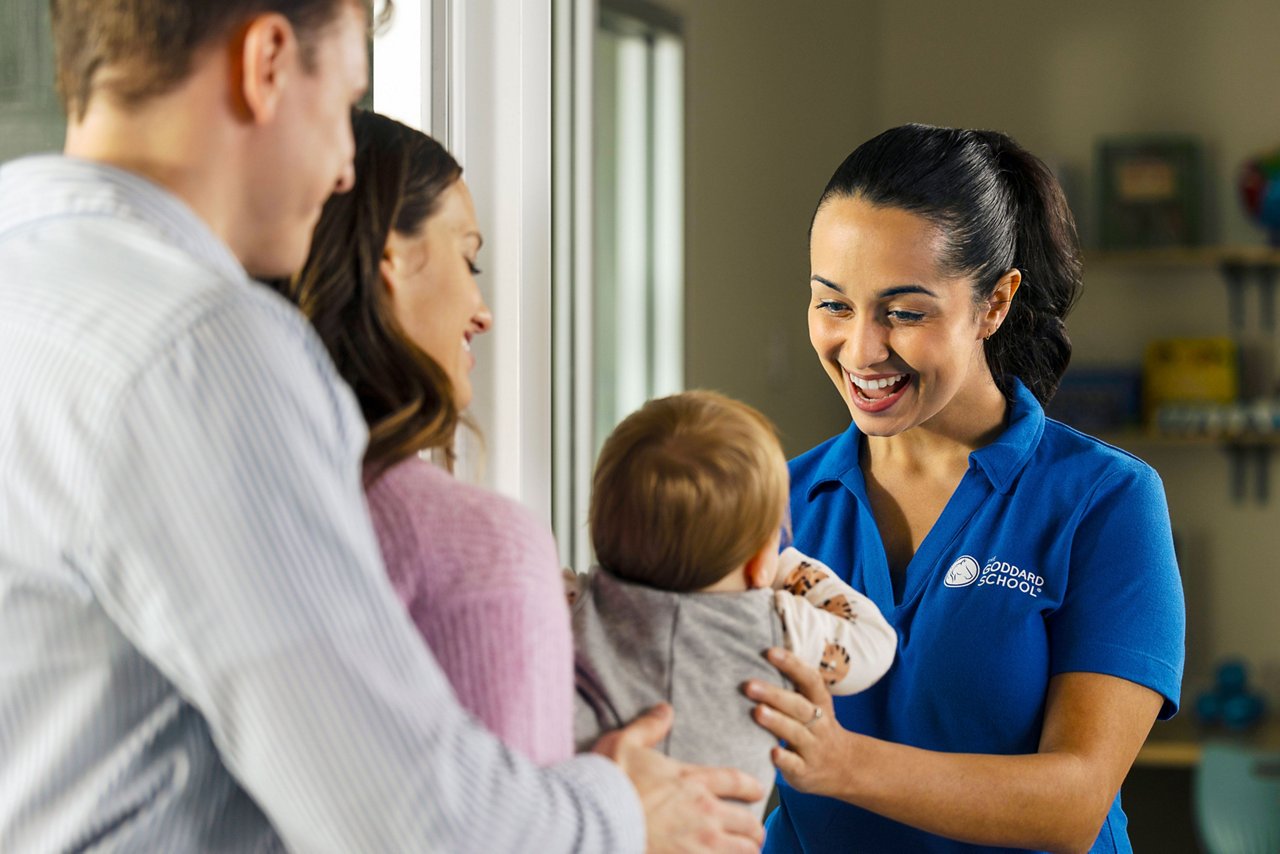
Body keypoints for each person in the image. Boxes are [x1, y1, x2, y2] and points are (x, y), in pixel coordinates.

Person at [0, 1, 764, 851]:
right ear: (267, 61)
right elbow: (406, 819)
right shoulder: (203, 347)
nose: (341, 171)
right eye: (342, 100)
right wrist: (623, 809)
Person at [743, 124, 1185, 852]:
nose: (862, 349)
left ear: (995, 303)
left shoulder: (1106, 501)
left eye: (904, 312)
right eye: (833, 305)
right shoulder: (771, 502)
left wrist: (843, 765)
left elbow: (1074, 802)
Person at [276, 108, 571, 765]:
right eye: (469, 261)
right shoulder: (480, 547)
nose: (482, 313)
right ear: (394, 258)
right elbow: (518, 819)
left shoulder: (232, 496)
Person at [572, 390, 897, 813]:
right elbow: (875, 643)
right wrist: (788, 567)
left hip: (600, 830)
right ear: (761, 560)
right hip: (720, 837)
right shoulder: (778, 626)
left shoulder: (576, 607)